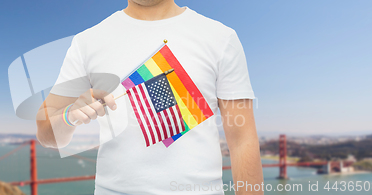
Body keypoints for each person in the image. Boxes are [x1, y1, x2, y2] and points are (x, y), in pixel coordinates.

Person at [36, 0, 264, 194]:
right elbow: (47, 134)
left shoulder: (221, 38)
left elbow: (242, 141)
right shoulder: (86, 42)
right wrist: (69, 116)